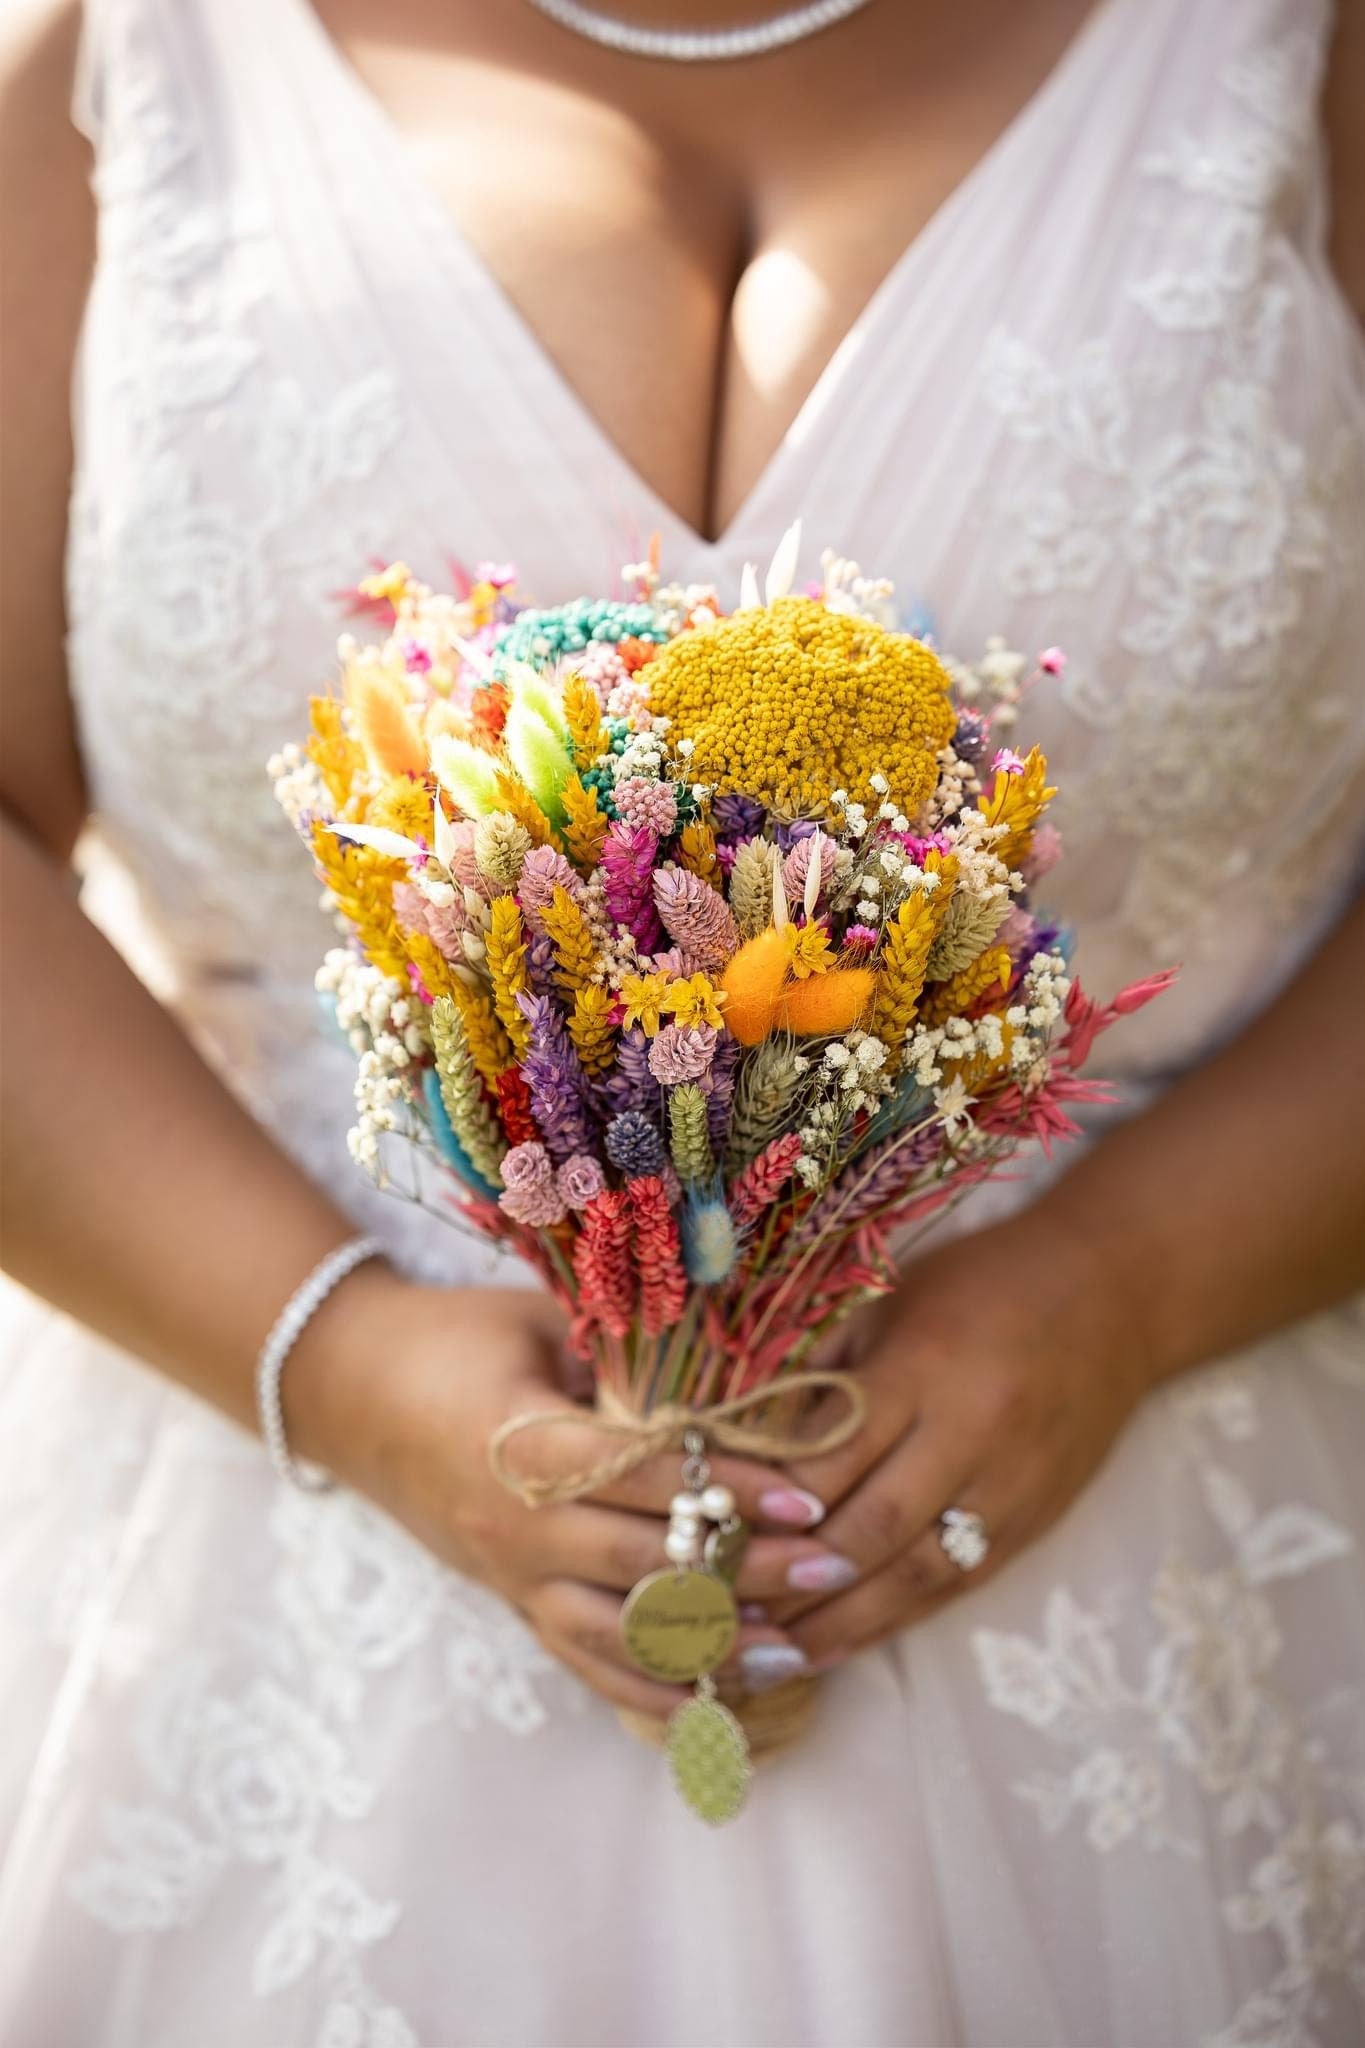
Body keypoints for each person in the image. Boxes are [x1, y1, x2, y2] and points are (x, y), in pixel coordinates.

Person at [2, 0, 1363, 2040]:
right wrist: (345, 1365)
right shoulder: (113, 53)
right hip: (254, 1582)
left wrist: (1119, 1285)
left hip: (1162, 1575)